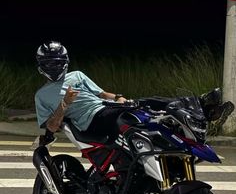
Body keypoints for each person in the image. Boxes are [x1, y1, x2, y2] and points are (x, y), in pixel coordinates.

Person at [35, 40, 234, 141]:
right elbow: (52, 127)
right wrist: (64, 104)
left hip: (106, 107)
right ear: (42, 65)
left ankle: (203, 107)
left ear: (65, 62)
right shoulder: (42, 95)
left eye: (57, 62)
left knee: (143, 102)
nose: (54, 66)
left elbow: (103, 94)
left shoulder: (77, 75)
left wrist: (121, 98)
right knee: (137, 113)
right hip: (91, 121)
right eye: (49, 63)